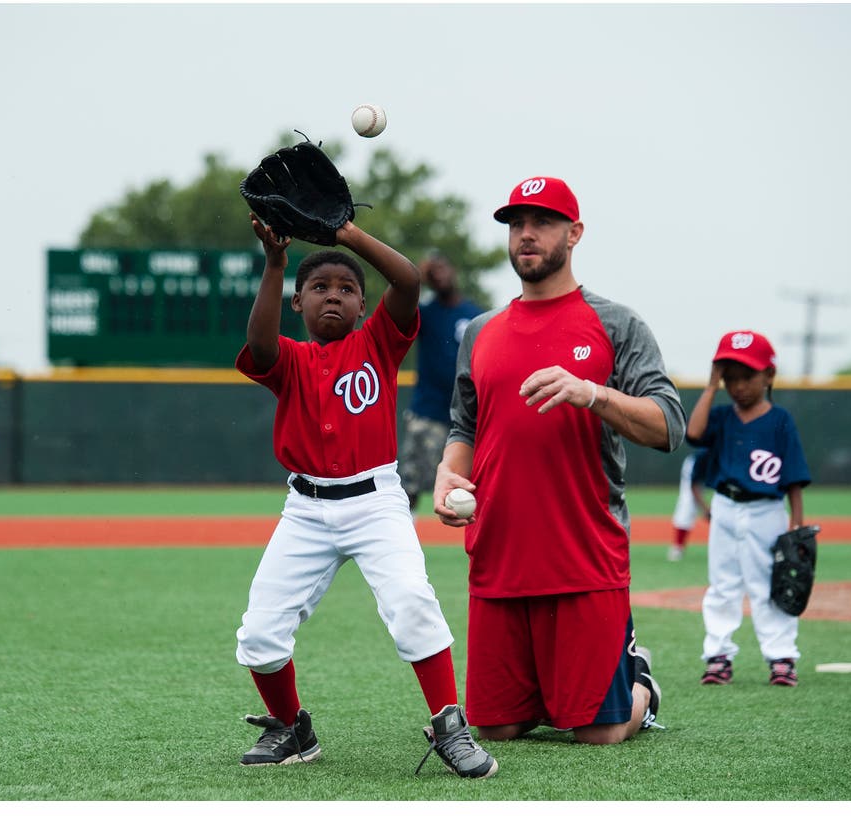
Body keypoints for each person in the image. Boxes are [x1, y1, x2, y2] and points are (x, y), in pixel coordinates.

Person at [233, 212, 497, 779]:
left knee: (411, 603)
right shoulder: (290, 360)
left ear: (362, 305)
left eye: (347, 289)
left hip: (375, 500)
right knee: (259, 634)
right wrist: (276, 263)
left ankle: (450, 726)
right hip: (305, 509)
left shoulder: (380, 341)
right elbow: (257, 344)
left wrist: (346, 234)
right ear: (297, 302)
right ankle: (292, 728)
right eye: (319, 288)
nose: (334, 296)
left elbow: (406, 282)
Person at [432, 176, 686, 745]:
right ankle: (568, 687)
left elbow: (669, 424)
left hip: (584, 555)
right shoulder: (480, 331)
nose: (526, 234)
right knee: (497, 728)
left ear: (574, 234)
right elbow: (464, 425)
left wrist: (593, 392)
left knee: (600, 731)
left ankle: (638, 683)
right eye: (516, 223)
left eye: (542, 222)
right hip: (500, 553)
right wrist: (449, 473)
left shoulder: (616, 324)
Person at [684, 330, 812, 687]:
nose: (738, 386)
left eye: (748, 376)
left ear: (769, 376)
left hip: (767, 512)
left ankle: (782, 658)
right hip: (726, 507)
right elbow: (693, 434)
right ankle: (718, 656)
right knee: (722, 585)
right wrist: (710, 387)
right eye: (730, 378)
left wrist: (796, 527)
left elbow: (794, 479)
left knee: (768, 587)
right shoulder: (722, 417)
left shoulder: (780, 420)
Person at [399, 255, 485, 511]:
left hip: (470, 416)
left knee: (480, 480)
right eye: (432, 271)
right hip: (429, 411)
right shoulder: (425, 313)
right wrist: (418, 280)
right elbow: (401, 306)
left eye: (442, 267)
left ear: (453, 270)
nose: (439, 274)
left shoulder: (476, 315)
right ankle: (405, 534)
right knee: (410, 482)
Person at [666, 449, 711, 561]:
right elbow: (693, 486)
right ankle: (677, 547)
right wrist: (705, 508)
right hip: (697, 467)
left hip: (719, 469)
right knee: (688, 503)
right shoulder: (701, 457)